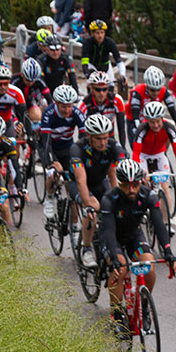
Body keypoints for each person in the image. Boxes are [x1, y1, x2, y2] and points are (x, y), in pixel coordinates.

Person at [98, 159, 176, 331]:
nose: (131, 189)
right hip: (112, 237)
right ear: (119, 184)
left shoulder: (148, 196)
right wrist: (114, 258)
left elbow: (158, 225)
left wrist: (168, 251)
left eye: (135, 185)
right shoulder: (109, 199)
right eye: (126, 185)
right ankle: (117, 314)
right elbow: (110, 232)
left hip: (133, 234)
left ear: (141, 181)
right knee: (121, 268)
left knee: (148, 266)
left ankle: (143, 305)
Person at [70, 114, 126, 269]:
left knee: (115, 207)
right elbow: (81, 179)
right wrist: (87, 205)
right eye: (98, 139)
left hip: (101, 183)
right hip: (79, 183)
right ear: (89, 136)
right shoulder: (78, 148)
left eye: (105, 138)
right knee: (93, 207)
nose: (103, 142)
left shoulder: (113, 146)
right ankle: (86, 248)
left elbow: (119, 172)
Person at [40, 85, 88, 220]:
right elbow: (46, 142)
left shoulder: (77, 113)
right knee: (55, 172)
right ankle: (49, 199)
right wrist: (51, 164)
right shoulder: (48, 114)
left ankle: (74, 230)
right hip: (50, 148)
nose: (67, 110)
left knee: (72, 188)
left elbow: (83, 139)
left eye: (69, 106)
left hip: (67, 148)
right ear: (56, 103)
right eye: (63, 107)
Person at [132, 101, 176, 211]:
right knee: (144, 182)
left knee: (165, 187)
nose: (156, 125)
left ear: (162, 118)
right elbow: (136, 153)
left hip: (159, 154)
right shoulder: (142, 130)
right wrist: (139, 170)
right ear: (146, 120)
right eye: (152, 122)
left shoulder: (169, 128)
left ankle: (165, 222)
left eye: (158, 121)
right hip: (143, 155)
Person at [128, 65, 176, 139]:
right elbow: (135, 116)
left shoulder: (164, 91)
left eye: (158, 89)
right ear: (147, 86)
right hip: (134, 119)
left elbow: (172, 111)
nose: (156, 93)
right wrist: (139, 130)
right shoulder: (137, 91)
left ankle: (164, 150)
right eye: (153, 90)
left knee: (169, 131)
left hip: (152, 120)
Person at [79, 71, 128, 147]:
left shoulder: (117, 100)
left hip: (109, 138)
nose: (101, 93)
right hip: (92, 140)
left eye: (104, 89)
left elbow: (121, 128)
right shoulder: (84, 104)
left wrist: (123, 147)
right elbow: (82, 133)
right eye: (97, 90)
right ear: (91, 88)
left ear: (108, 89)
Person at [12, 58, 49, 127]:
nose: (30, 83)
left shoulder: (39, 80)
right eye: (27, 80)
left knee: (37, 115)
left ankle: (35, 133)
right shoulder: (14, 80)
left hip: (29, 101)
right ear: (22, 74)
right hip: (15, 104)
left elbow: (49, 99)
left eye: (32, 81)